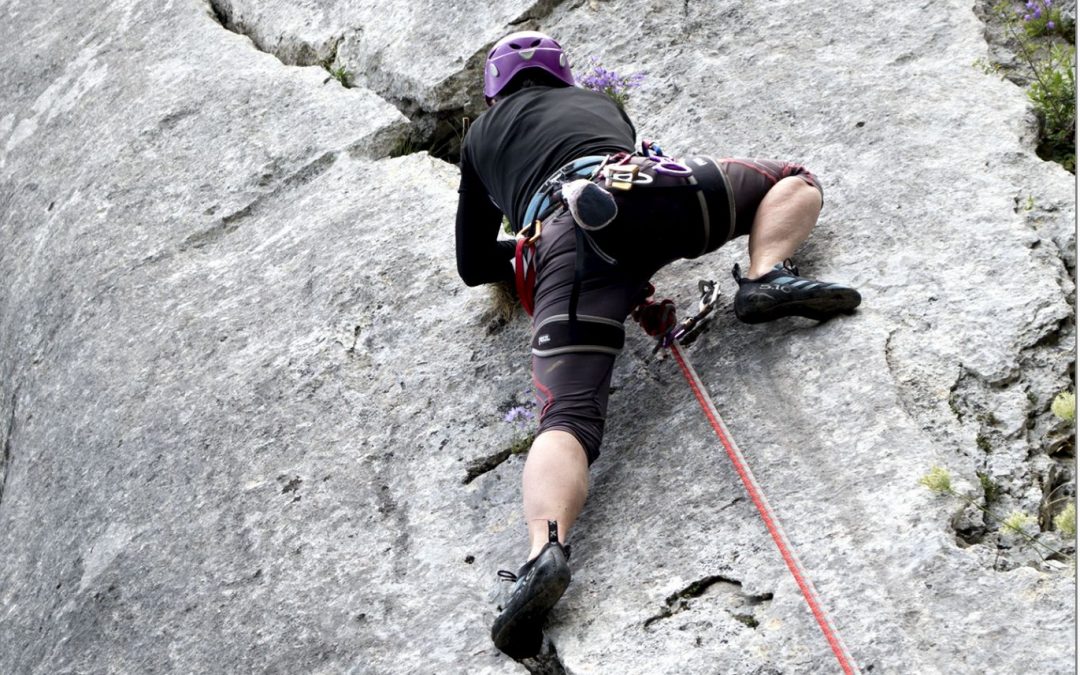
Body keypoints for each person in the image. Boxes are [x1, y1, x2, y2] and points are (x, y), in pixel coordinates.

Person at [455, 31, 861, 659]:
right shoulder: (599, 103)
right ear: (562, 78)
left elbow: (474, 262)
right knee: (793, 180)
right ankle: (764, 277)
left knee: (566, 419)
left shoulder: (481, 139)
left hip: (562, 245)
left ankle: (543, 553)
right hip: (637, 191)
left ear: (493, 94)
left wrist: (528, 243)